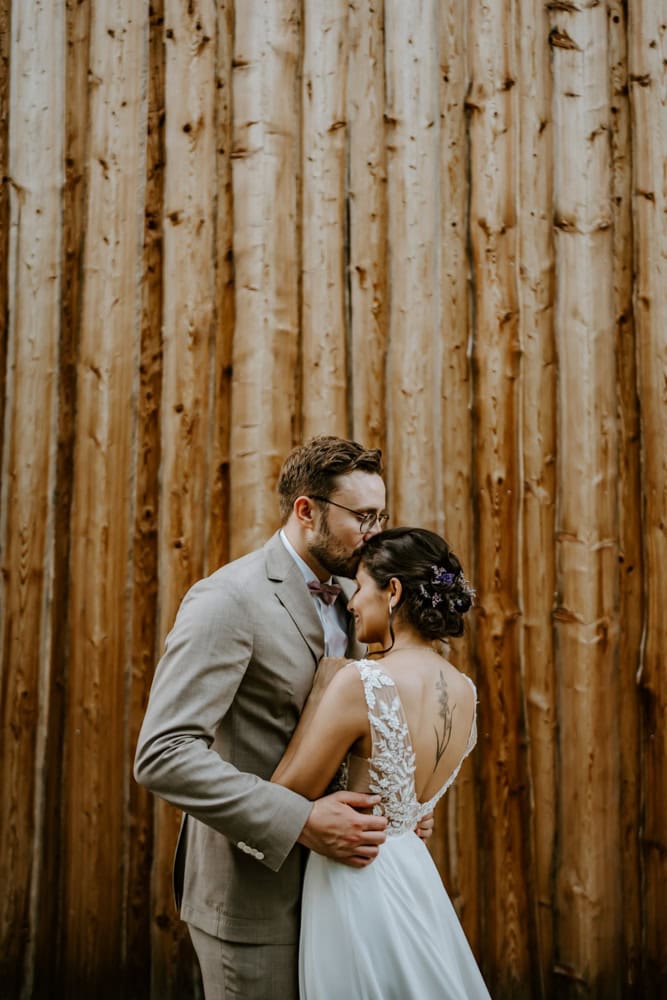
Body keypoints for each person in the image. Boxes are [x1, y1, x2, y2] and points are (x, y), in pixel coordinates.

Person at [134, 436, 431, 1000]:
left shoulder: (357, 598)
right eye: (363, 517)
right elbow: (163, 754)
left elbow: (347, 731)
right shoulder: (227, 599)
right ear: (306, 511)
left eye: (382, 515)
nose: (377, 532)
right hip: (254, 902)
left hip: (344, 895)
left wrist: (396, 805)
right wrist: (300, 820)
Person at [273, 526, 492, 999]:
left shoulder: (363, 682)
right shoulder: (465, 691)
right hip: (414, 875)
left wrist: (319, 696)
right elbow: (409, 796)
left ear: (392, 592)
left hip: (354, 879)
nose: (351, 604)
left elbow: (285, 794)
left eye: (360, 588)